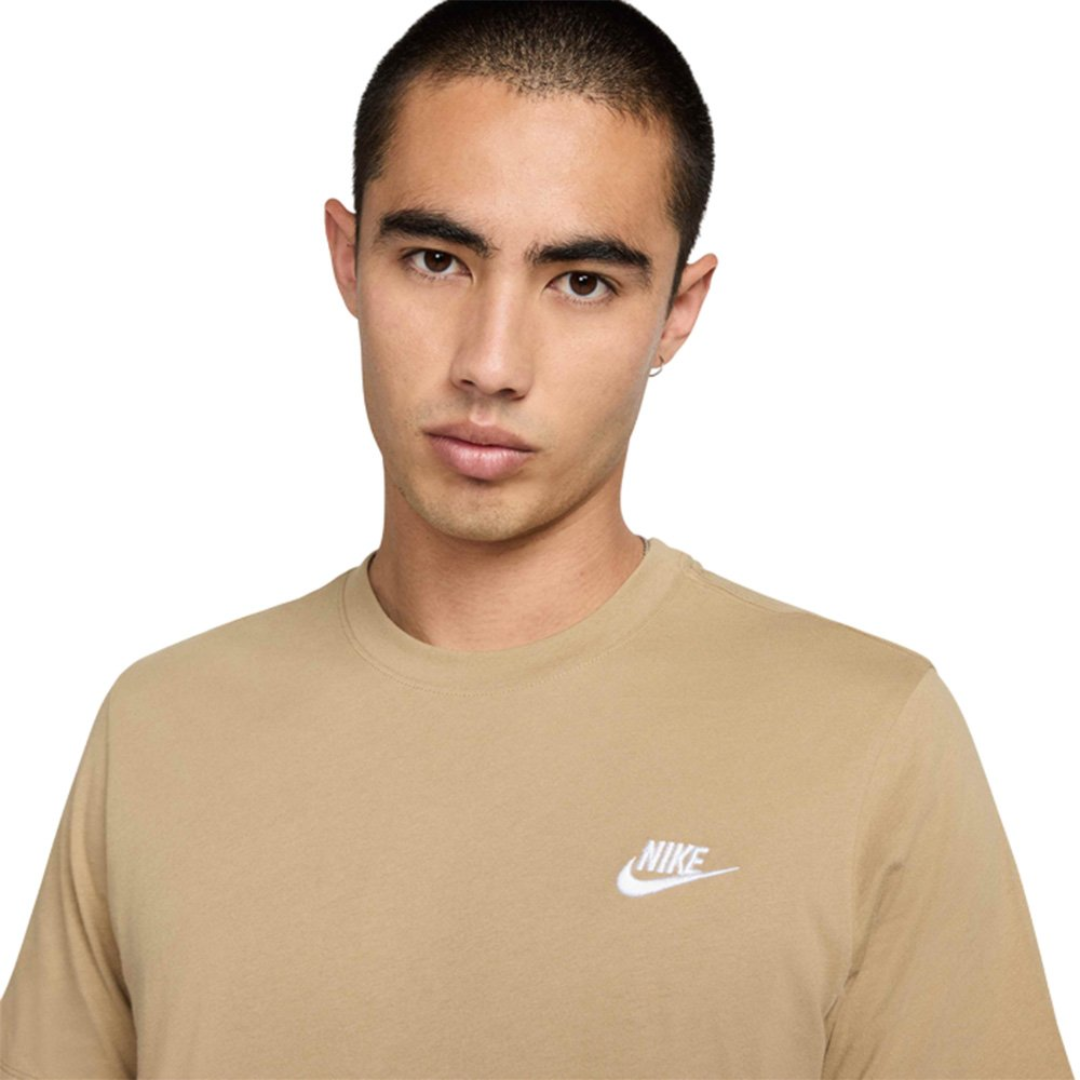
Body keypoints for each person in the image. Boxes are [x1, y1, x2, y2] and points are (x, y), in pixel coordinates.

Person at [0, 1, 1073, 1077]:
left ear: (679, 311)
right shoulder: (160, 730)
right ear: (347, 258)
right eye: (436, 261)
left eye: (582, 282)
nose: (491, 362)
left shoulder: (870, 736)